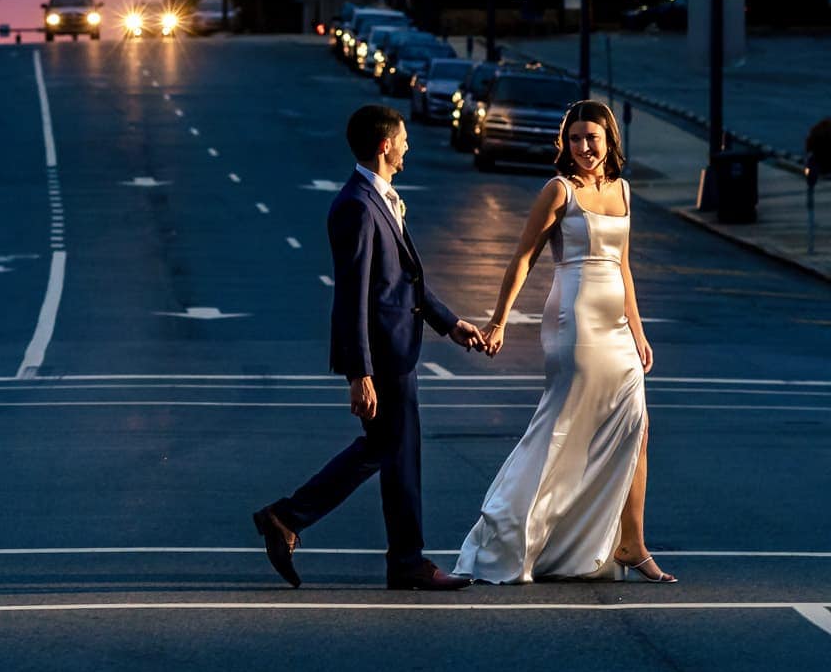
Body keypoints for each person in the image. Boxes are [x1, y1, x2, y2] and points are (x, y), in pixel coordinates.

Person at [253, 104, 487, 591]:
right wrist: (359, 374)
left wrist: (450, 323)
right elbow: (352, 295)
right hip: (382, 355)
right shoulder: (357, 205)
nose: (408, 147)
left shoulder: (379, 198)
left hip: (398, 350)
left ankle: (403, 560)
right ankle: (290, 517)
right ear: (385, 145)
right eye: (403, 139)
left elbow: (402, 282)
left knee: (397, 454)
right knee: (387, 449)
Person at [456, 99, 674, 584]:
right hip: (572, 319)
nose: (583, 148)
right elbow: (523, 257)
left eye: (591, 138)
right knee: (563, 426)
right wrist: (499, 321)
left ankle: (632, 543)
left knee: (635, 426)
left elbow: (623, 266)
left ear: (609, 140)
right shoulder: (559, 190)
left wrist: (638, 331)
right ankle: (516, 532)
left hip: (616, 325)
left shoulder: (623, 192)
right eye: (574, 139)